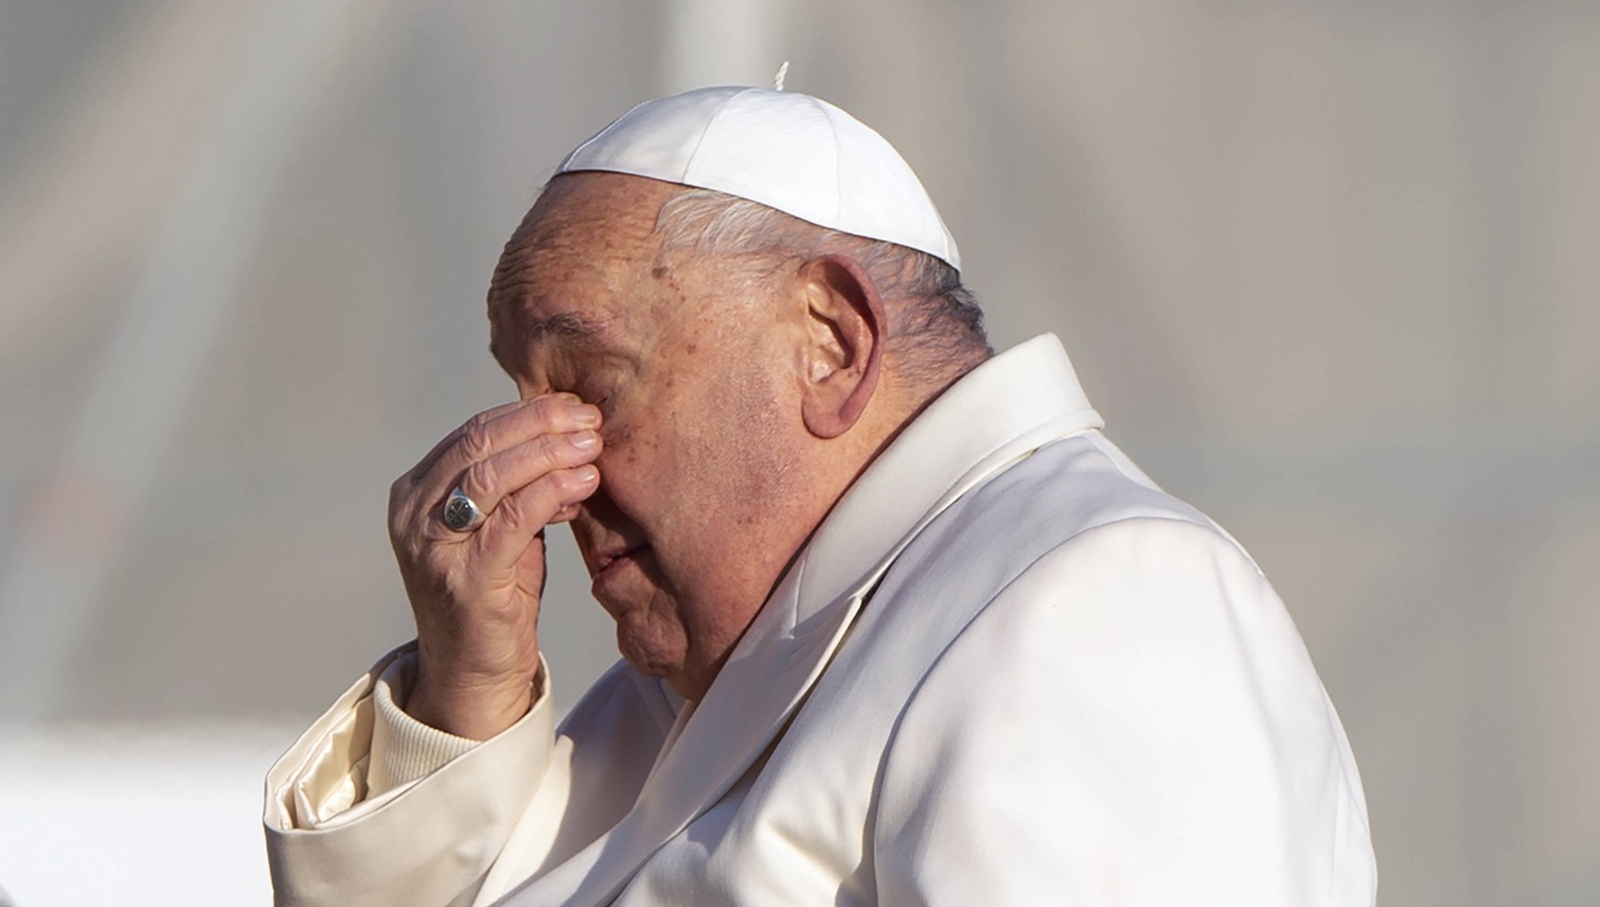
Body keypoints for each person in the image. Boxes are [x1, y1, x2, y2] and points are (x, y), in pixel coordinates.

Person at [263, 86, 1377, 906]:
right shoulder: (690, 693)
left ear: (830, 345)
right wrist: (465, 699)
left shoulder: (1097, 604)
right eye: (521, 396)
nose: (549, 476)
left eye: (589, 384)